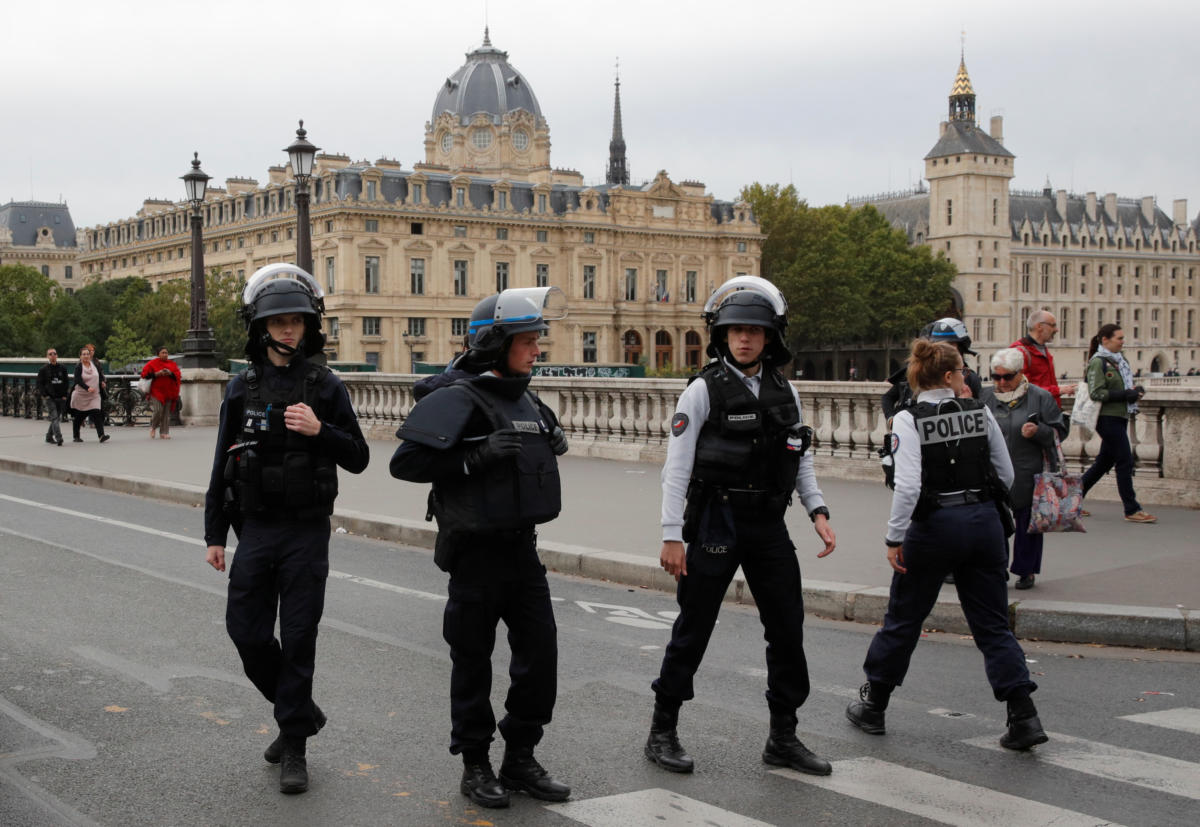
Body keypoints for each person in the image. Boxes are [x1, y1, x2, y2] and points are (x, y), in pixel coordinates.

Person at [390, 287, 571, 810]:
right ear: (495, 342)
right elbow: (405, 464)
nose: (538, 348)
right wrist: (472, 460)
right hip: (474, 555)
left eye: (538, 338)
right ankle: (475, 765)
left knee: (540, 659)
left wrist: (551, 437)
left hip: (523, 551)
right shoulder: (459, 396)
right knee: (473, 662)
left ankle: (520, 757)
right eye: (528, 340)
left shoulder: (529, 398)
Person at [647, 275, 836, 778]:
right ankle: (662, 729)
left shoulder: (785, 391)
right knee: (694, 628)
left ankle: (784, 737)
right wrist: (671, 535)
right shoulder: (702, 391)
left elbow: (800, 455)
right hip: (716, 519)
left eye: (754, 330)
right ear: (723, 337)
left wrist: (817, 511)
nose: (745, 338)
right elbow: (677, 467)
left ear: (770, 336)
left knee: (787, 629)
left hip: (768, 524)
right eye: (736, 331)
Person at [204, 263, 369, 794]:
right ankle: (300, 713)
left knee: (298, 638)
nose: (288, 330)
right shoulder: (240, 387)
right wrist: (214, 535)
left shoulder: (326, 385)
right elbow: (220, 463)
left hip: (306, 531)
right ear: (261, 328)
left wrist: (321, 431)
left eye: (296, 321)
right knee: (246, 633)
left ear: (309, 326)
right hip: (254, 529)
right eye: (278, 322)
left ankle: (293, 747)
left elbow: (360, 456)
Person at [846, 338, 1048, 751]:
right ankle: (1022, 714)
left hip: (934, 526)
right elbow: (1005, 473)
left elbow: (907, 487)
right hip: (984, 522)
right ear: (952, 375)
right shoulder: (980, 411)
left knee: (905, 617)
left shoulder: (907, 419)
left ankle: (874, 705)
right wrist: (984, 510)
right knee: (992, 623)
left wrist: (895, 537)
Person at [980, 348, 1067, 589]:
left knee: (1028, 524)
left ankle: (1026, 570)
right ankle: (998, 568)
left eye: (1007, 377)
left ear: (1020, 374)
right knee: (995, 524)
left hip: (1029, 471)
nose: (1001, 383)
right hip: (993, 473)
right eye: (996, 377)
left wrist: (1039, 431)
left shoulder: (1040, 397)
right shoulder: (985, 398)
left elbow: (1059, 431)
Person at [1079, 325, 1156, 524]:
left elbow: (1121, 387)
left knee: (1103, 462)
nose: (1123, 341)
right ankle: (1132, 509)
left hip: (1119, 416)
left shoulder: (1120, 361)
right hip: (1106, 418)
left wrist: (1133, 391)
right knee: (1125, 461)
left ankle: (1071, 500)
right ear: (1105, 340)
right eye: (1119, 338)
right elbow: (1096, 392)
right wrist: (1125, 395)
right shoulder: (1098, 362)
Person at [882, 317, 980, 419]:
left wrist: (966, 405)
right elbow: (888, 397)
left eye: (949, 344)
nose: (943, 349)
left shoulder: (971, 378)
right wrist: (891, 419)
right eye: (939, 344)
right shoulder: (917, 370)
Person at [1011, 309, 1070, 409]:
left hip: (1048, 412)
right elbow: (1021, 389)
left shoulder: (1042, 349)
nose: (1056, 330)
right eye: (1053, 325)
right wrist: (1058, 391)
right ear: (1039, 326)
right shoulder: (1018, 352)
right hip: (1032, 415)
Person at [70, 346, 109, 443]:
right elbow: (77, 380)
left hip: (94, 395)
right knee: (79, 416)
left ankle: (101, 435)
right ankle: (76, 436)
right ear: (80, 356)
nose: (86, 356)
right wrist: (87, 388)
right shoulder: (79, 367)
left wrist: (102, 382)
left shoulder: (94, 365)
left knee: (97, 413)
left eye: (87, 354)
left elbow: (99, 375)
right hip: (81, 395)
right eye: (84, 354)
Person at [141, 346, 181, 439]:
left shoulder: (172, 364)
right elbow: (144, 375)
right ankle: (153, 427)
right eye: (163, 353)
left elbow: (177, 376)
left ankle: (164, 432)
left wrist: (170, 373)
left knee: (166, 413)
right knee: (158, 410)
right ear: (158, 354)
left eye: (166, 353)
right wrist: (156, 374)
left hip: (169, 391)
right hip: (156, 391)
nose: (165, 354)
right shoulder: (152, 363)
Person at [37, 347, 69, 446]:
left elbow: (66, 382)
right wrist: (44, 395)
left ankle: (49, 436)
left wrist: (65, 395)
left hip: (60, 397)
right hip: (50, 397)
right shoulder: (43, 369)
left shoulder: (62, 368)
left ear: (57, 355)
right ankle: (59, 437)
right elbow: (40, 383)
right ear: (47, 356)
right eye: (50, 354)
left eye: (54, 353)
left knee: (56, 417)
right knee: (55, 417)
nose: (52, 355)